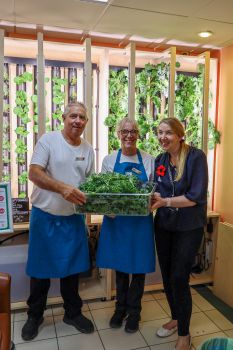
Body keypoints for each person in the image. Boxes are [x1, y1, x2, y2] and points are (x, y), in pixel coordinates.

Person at [21, 102, 95, 341]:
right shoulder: (48, 141)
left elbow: (90, 184)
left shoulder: (88, 149)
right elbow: (34, 173)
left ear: (86, 122)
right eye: (73, 115)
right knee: (40, 272)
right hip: (45, 216)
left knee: (72, 271)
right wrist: (62, 188)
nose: (77, 120)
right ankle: (35, 315)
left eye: (82, 117)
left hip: (73, 219)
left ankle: (72, 313)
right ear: (63, 117)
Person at [151, 117, 208, 350]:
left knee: (179, 278)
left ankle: (184, 333)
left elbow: (195, 197)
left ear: (180, 135)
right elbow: (156, 189)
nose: (163, 137)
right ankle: (176, 318)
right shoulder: (160, 159)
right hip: (164, 225)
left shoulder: (196, 157)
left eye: (168, 133)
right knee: (167, 276)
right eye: (160, 133)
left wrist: (165, 201)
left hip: (188, 226)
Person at [96, 117, 156, 333]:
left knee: (138, 267)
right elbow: (103, 190)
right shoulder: (110, 160)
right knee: (120, 267)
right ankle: (119, 308)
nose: (129, 135)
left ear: (138, 134)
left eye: (133, 131)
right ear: (118, 134)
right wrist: (107, 208)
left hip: (140, 221)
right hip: (117, 221)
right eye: (124, 131)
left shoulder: (149, 159)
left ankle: (135, 312)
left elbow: (152, 190)